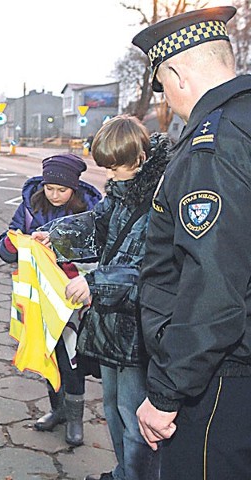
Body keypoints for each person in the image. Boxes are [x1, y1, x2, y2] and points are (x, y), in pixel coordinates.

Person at [132, 6, 251, 480]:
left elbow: (213, 286)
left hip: (216, 379)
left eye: (161, 84)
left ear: (177, 73)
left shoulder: (215, 142)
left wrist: (165, 393)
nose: (165, 97)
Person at [65, 116, 170, 480]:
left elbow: (150, 268)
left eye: (115, 166)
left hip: (138, 326)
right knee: (112, 405)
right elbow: (98, 226)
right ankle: (123, 470)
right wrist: (53, 236)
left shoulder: (160, 198)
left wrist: (95, 283)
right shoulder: (123, 191)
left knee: (133, 412)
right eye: (105, 167)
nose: (110, 175)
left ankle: (137, 475)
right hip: (111, 322)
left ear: (140, 158)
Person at [0, 153, 102, 446]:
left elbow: (96, 249)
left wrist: (56, 242)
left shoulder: (90, 209)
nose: (54, 195)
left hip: (71, 297)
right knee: (48, 353)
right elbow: (5, 245)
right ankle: (57, 411)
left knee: (71, 358)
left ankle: (75, 419)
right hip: (38, 297)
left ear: (74, 189)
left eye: (61, 190)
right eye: (49, 188)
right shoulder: (31, 206)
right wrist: (13, 242)